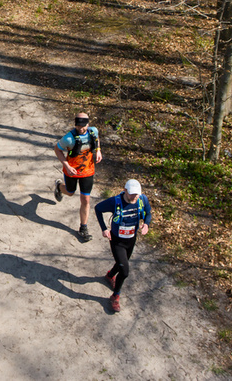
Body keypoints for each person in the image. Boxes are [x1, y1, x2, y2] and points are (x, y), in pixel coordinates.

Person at [94, 179, 152, 313]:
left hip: (131, 240)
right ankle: (115, 296)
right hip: (117, 241)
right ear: (125, 190)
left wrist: (147, 224)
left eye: (137, 194)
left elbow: (148, 213)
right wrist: (104, 228)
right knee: (125, 271)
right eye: (132, 194)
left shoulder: (142, 199)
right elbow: (98, 208)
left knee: (122, 262)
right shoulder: (115, 201)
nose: (134, 197)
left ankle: (109, 276)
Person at [53, 113, 102, 242]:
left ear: (88, 124)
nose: (81, 129)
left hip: (88, 171)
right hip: (72, 172)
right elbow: (57, 149)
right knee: (70, 192)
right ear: (75, 125)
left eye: (83, 126)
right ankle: (59, 186)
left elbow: (96, 139)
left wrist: (98, 151)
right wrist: (67, 165)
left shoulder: (93, 132)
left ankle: (83, 228)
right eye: (78, 126)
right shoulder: (69, 138)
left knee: (85, 199)